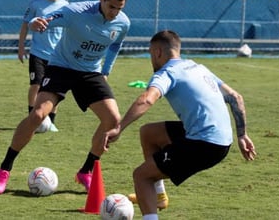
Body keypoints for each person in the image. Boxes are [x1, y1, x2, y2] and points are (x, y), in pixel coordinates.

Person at [0, 0, 130, 194]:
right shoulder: (77, 11)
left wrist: (106, 70)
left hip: (90, 72)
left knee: (113, 120)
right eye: (111, 7)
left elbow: (115, 45)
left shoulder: (123, 23)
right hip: (62, 67)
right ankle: (5, 168)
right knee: (37, 115)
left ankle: (86, 171)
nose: (115, 13)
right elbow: (48, 20)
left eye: (119, 8)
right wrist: (37, 23)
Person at [105, 30, 256, 220]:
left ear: (158, 52)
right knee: (149, 133)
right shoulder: (197, 67)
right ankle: (159, 196)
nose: (151, 59)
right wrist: (242, 135)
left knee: (141, 176)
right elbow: (235, 97)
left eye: (151, 54)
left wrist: (120, 127)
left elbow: (146, 100)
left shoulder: (167, 73)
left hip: (204, 144)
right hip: (221, 139)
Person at [18, 0, 68, 133]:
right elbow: (26, 25)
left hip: (57, 56)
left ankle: (51, 121)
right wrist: (21, 47)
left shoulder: (66, 6)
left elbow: (69, 29)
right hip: (38, 53)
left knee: (55, 89)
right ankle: (32, 118)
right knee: (36, 85)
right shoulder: (36, 5)